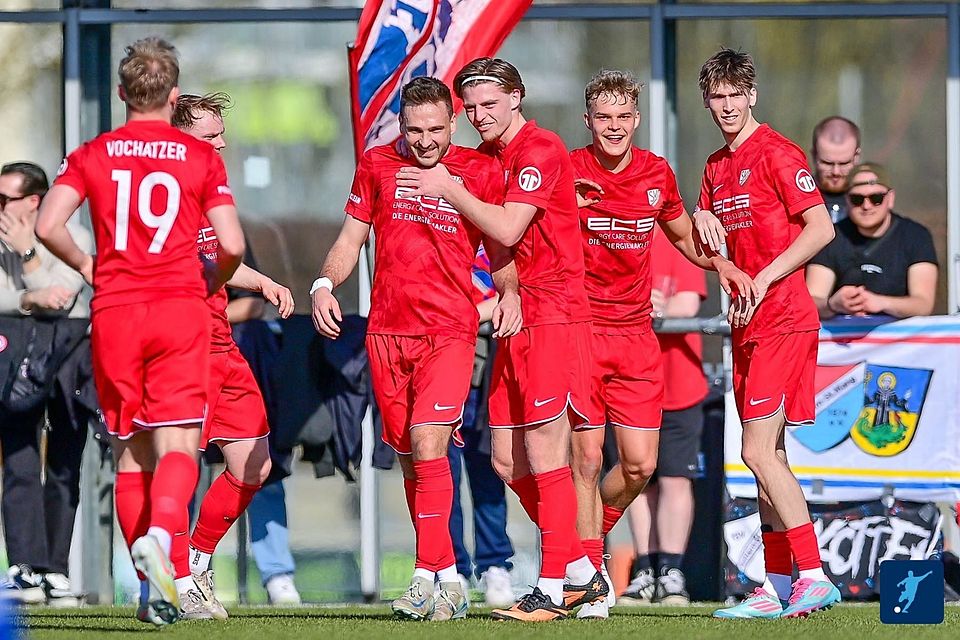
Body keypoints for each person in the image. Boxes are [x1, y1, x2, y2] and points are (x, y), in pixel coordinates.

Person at [35, 37, 245, 626]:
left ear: (123, 94)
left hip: (116, 312)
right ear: (173, 96)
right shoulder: (200, 158)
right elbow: (229, 244)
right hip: (179, 307)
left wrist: (86, 266)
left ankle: (152, 596)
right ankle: (162, 538)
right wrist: (210, 278)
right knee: (178, 444)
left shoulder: (93, 153)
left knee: (130, 453)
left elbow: (49, 223)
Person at [397, 57, 606, 622]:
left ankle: (554, 585)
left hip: (555, 312)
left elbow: (509, 227)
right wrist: (504, 289)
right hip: (515, 314)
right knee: (506, 458)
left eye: (492, 104)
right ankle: (585, 569)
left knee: (547, 453)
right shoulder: (491, 158)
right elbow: (503, 248)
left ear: (517, 98)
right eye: (473, 107)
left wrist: (448, 187)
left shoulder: (538, 149)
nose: (481, 115)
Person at [311, 76, 511, 622]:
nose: (424, 141)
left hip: (450, 331)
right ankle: (447, 576)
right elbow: (351, 239)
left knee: (430, 444)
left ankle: (424, 575)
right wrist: (324, 284)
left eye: (435, 130)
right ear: (401, 124)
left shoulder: (478, 170)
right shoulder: (376, 164)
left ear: (454, 124)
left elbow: (501, 246)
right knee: (408, 456)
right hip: (386, 333)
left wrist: (509, 296)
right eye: (414, 129)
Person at [568, 69, 752, 619]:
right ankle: (585, 571)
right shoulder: (568, 169)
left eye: (624, 117)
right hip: (581, 334)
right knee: (582, 461)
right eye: (604, 118)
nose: (614, 127)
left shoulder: (656, 173)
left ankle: (571, 547)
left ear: (637, 120)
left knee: (641, 466)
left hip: (636, 340)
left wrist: (721, 264)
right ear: (588, 121)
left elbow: (682, 237)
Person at [691, 48, 841, 619]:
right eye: (717, 97)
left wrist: (767, 273)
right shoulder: (714, 167)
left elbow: (821, 227)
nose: (727, 107)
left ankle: (812, 575)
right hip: (747, 323)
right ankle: (777, 583)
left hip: (783, 319)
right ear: (708, 101)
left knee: (756, 450)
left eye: (735, 95)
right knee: (766, 456)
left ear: (751, 95)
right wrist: (705, 228)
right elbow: (716, 256)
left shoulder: (778, 153)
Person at [170, 92, 295, 620]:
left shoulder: (208, 189)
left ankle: (197, 557)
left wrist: (263, 282)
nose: (220, 145)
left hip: (222, 345)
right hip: (179, 348)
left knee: (255, 462)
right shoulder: (163, 193)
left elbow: (218, 257)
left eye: (222, 135)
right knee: (174, 469)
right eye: (208, 137)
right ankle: (175, 578)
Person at [0, 162, 92, 606]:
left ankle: (55, 570)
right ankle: (24, 567)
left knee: (64, 463)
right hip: (14, 353)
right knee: (18, 459)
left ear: (34, 201)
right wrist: (27, 296)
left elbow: (64, 296)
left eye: (5, 200)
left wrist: (28, 257)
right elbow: (37, 296)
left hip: (69, 351)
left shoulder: (71, 233)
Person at [620, 227, 709, 607]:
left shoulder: (678, 237)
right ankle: (644, 566)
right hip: (625, 382)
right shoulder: (609, 230)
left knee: (675, 477)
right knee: (635, 478)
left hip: (678, 383)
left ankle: (671, 572)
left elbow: (687, 304)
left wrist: (653, 308)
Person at [447, 245, 515, 608]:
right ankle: (453, 566)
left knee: (490, 469)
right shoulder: (440, 226)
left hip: (492, 365)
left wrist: (472, 315)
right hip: (444, 357)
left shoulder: (500, 232)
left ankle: (495, 565)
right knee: (443, 475)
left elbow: (514, 292)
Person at [805, 163, 937, 319]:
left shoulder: (916, 236)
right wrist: (833, 304)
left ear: (891, 198)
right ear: (846, 200)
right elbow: (811, 300)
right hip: (844, 337)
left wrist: (881, 303)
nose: (866, 206)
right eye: (857, 199)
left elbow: (923, 304)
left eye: (876, 198)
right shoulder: (832, 237)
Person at [811, 117, 861, 223]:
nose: (836, 172)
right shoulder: (797, 199)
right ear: (814, 155)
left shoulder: (870, 200)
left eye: (844, 163)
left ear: (856, 156)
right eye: (827, 163)